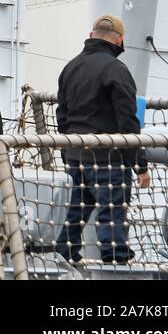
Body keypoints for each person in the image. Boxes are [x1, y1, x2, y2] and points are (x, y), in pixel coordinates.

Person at [54, 14, 151, 265]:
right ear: (119, 40)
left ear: (91, 36)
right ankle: (116, 264)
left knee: (75, 213)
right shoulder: (116, 70)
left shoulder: (70, 68)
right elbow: (128, 122)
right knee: (112, 213)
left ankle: (61, 260)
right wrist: (140, 165)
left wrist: (67, 151)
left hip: (75, 155)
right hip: (109, 159)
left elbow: (62, 114)